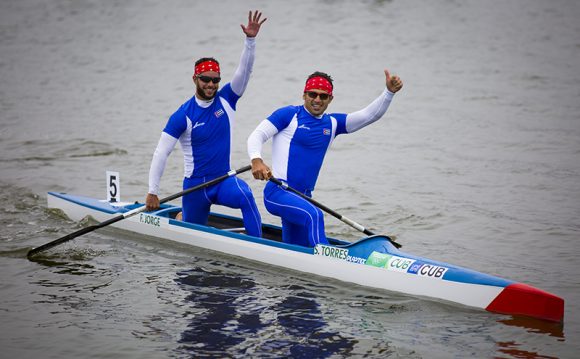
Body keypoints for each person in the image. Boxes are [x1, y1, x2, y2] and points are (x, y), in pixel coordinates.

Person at [247, 69, 403, 247]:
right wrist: (256, 159)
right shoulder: (289, 115)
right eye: (313, 94)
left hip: (304, 197)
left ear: (330, 99)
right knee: (315, 215)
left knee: (295, 245)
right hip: (278, 192)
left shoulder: (333, 123)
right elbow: (257, 135)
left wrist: (389, 93)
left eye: (323, 96)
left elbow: (369, 115)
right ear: (304, 95)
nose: (317, 100)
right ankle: (329, 258)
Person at [145, 11, 267, 237]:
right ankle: (183, 216)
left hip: (223, 180)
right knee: (191, 229)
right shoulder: (183, 115)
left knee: (246, 196)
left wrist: (250, 41)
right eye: (206, 79)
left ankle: (259, 246)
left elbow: (245, 71)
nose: (211, 84)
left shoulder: (227, 99)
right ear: (195, 79)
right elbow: (161, 152)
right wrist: (153, 192)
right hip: (195, 187)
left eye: (215, 80)